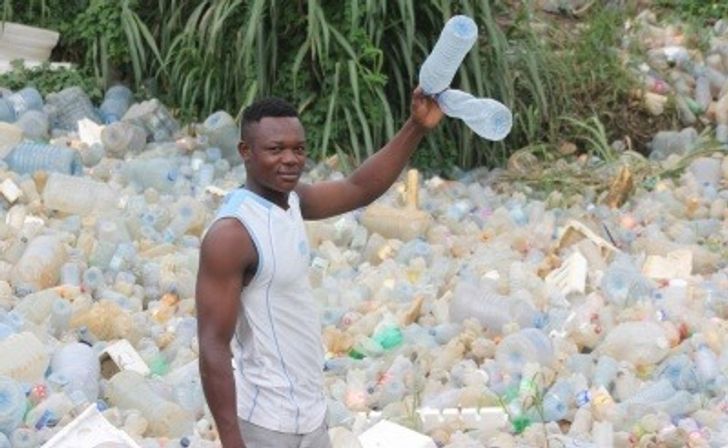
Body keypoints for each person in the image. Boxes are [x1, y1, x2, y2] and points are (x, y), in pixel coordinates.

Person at [195, 87, 443, 448]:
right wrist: (232, 441)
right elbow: (213, 346)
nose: (291, 159)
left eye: (299, 148)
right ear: (245, 152)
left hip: (310, 415)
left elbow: (358, 187)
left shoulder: (293, 201)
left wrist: (416, 127)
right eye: (275, 149)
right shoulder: (232, 235)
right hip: (266, 424)